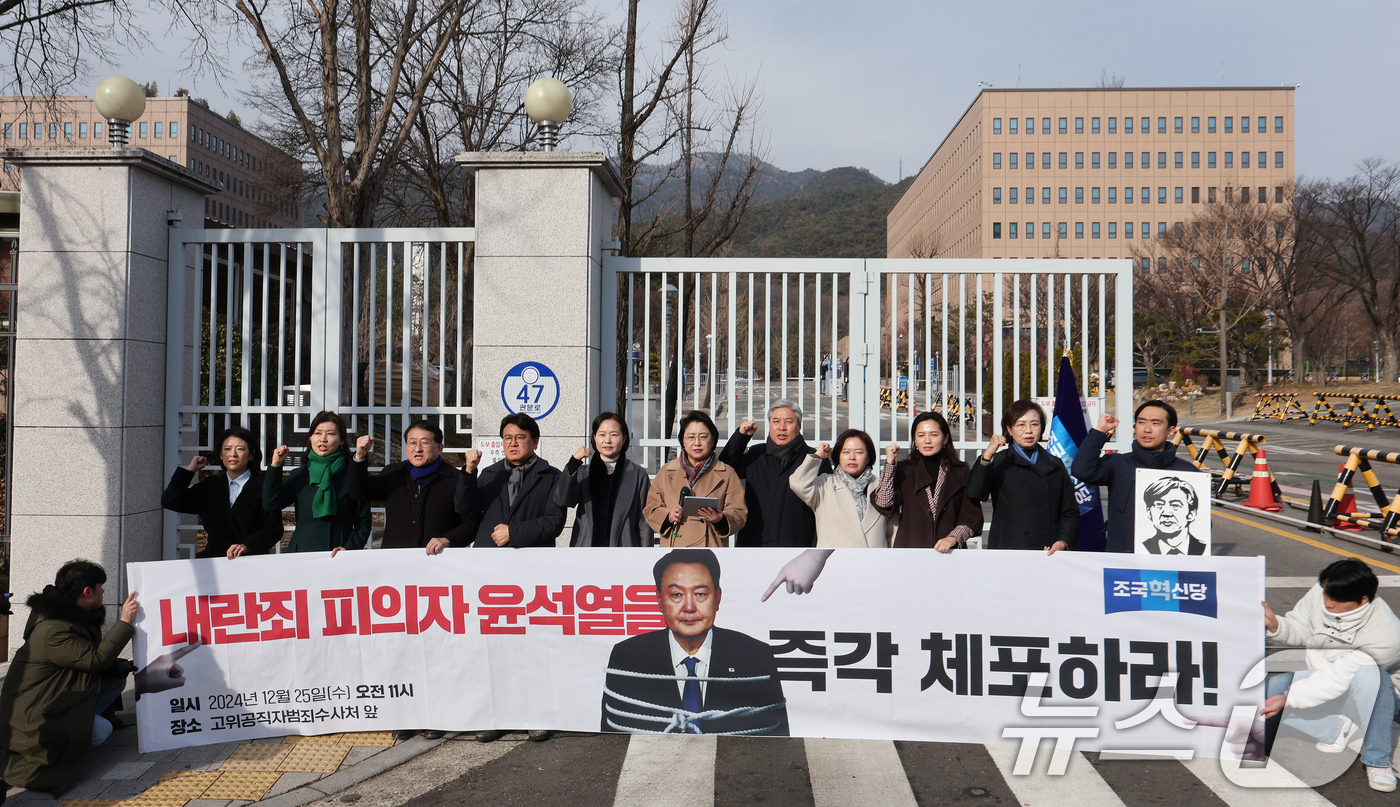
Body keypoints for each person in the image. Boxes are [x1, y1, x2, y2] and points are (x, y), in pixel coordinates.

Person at [347, 419, 464, 742]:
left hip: (437, 578)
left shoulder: (453, 480)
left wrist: (447, 538)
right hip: (396, 579)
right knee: (401, 646)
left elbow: (470, 523)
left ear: (439, 448)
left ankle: (436, 713)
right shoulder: (394, 475)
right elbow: (359, 491)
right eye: (412, 442)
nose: (417, 448)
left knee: (436, 647)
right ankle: (406, 715)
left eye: (424, 442)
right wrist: (359, 457)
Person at [455, 412, 565, 744]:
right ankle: (495, 715)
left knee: (532, 645)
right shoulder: (488, 474)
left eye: (519, 438)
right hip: (490, 575)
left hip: (531, 572)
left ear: (534, 441)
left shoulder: (551, 476)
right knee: (492, 647)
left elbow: (554, 523)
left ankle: (537, 714)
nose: (512, 444)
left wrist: (514, 533)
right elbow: (465, 509)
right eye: (507, 438)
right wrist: (468, 471)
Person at [600, 549, 789, 735]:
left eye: (700, 594)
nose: (689, 607)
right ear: (659, 599)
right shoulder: (627, 657)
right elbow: (613, 742)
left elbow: (776, 742)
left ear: (717, 598)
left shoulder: (755, 656)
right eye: (676, 595)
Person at [0, 561, 139, 794]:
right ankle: (40, 755)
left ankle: (80, 723)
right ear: (87, 592)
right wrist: (124, 623)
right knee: (101, 730)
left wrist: (121, 665)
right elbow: (95, 660)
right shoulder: (54, 628)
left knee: (116, 676)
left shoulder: (73, 615)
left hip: (52, 696)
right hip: (34, 717)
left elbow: (86, 659)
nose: (104, 591)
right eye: (100, 587)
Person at [1263, 559, 1400, 793]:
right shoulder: (1324, 590)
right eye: (1326, 594)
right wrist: (1276, 625)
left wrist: (1290, 697)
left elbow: (1341, 676)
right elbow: (1301, 629)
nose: (1328, 603)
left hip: (1374, 694)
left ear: (1363, 600)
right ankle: (1334, 729)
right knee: (1266, 691)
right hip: (1326, 676)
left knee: (1371, 677)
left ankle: (1377, 760)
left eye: (1337, 600)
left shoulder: (1388, 634)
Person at [1070, 400, 1197, 553]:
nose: (1147, 429)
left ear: (1171, 431)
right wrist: (1099, 432)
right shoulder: (1117, 463)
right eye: (1141, 422)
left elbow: (1200, 524)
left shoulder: (1188, 472)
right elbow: (1082, 470)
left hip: (1172, 565)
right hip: (1123, 562)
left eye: (1156, 423)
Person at [965, 400, 1077, 553]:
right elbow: (975, 493)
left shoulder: (1055, 465)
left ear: (1042, 428)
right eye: (1021, 425)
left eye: (1034, 424)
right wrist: (987, 456)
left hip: (1047, 551)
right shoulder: (998, 462)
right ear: (1009, 430)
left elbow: (1070, 512)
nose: (1028, 431)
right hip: (1007, 549)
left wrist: (1062, 541)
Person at [161, 427, 285, 559]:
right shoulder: (210, 487)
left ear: (251, 455)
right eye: (227, 449)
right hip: (215, 561)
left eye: (240, 449)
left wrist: (247, 545)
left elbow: (274, 529)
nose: (233, 454)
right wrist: (190, 470)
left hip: (252, 560)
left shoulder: (264, 486)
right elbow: (170, 500)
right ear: (220, 455)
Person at [720, 400, 826, 548]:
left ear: (799, 426)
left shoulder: (814, 459)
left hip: (798, 545)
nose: (781, 427)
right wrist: (741, 437)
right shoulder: (757, 454)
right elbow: (725, 469)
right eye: (776, 421)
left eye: (789, 422)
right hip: (755, 544)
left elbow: (825, 508)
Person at [872, 411, 983, 550]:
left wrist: (953, 538)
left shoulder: (960, 471)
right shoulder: (904, 469)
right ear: (915, 440)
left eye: (934, 434)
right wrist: (889, 464)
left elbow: (971, 516)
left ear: (946, 438)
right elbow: (884, 502)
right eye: (921, 435)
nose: (927, 440)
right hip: (911, 551)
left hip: (950, 553)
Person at [263, 411, 372, 553]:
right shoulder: (300, 475)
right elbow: (271, 504)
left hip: (338, 553)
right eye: (317, 433)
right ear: (310, 438)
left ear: (342, 440)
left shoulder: (352, 475)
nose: (323, 439)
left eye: (331, 434)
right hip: (302, 553)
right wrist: (275, 466)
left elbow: (363, 521)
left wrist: (349, 548)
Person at [643, 410, 746, 548]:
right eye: (691, 437)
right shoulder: (666, 472)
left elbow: (739, 512)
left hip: (710, 548)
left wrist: (721, 519)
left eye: (703, 437)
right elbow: (651, 508)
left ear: (713, 439)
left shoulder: (726, 473)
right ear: (683, 441)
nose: (697, 443)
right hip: (674, 546)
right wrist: (667, 516)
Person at [555, 412, 654, 547]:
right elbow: (563, 499)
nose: (607, 440)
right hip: (587, 551)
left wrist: (645, 555)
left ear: (624, 439)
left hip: (625, 551)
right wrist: (573, 463)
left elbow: (645, 520)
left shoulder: (637, 474)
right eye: (602, 435)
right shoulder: (583, 472)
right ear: (594, 438)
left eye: (614, 435)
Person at [788, 428, 890, 548]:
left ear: (868, 457)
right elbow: (797, 483)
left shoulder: (881, 486)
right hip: (835, 563)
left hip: (874, 563)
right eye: (846, 452)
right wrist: (817, 456)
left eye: (859, 452)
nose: (852, 457)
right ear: (838, 456)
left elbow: (892, 531)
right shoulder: (825, 485)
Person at [1138, 476, 1207, 555]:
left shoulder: (1203, 549)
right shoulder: (1140, 548)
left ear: (1191, 514)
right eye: (1159, 505)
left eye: (1175, 505)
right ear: (1149, 512)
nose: (1167, 513)